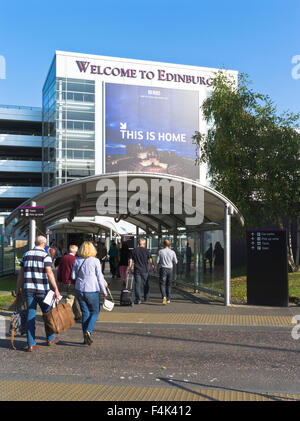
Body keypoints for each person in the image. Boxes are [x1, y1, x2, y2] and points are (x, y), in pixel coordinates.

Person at [16, 235, 61, 352]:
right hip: (43, 291)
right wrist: (55, 288)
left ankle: (31, 343)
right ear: (44, 244)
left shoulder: (26, 255)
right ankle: (50, 338)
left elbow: (21, 274)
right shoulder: (46, 256)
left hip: (28, 290)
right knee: (48, 314)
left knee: (31, 315)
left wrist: (18, 289)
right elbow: (49, 272)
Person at [71, 241, 108, 345]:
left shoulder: (77, 260)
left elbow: (73, 276)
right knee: (95, 311)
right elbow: (100, 277)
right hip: (91, 289)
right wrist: (104, 291)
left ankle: (84, 337)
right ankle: (88, 331)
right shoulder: (95, 261)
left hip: (79, 289)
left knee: (85, 312)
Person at [57, 244, 82, 321]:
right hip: (73, 282)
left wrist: (59, 280)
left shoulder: (63, 258)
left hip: (65, 281)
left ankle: (78, 315)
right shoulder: (75, 259)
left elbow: (59, 270)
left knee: (73, 298)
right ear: (76, 251)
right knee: (70, 299)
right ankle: (64, 316)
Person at [128, 238, 154, 304]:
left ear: (139, 243)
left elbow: (130, 260)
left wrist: (129, 268)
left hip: (137, 269)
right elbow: (150, 260)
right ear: (144, 244)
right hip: (145, 270)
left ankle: (138, 299)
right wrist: (153, 267)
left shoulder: (134, 250)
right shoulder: (147, 251)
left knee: (137, 284)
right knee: (146, 284)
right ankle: (146, 297)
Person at [156, 239, 178, 304]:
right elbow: (176, 261)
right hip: (170, 269)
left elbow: (157, 261)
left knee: (162, 284)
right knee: (169, 284)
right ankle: (168, 299)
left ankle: (164, 297)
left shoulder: (160, 251)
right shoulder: (172, 252)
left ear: (163, 244)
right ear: (169, 245)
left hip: (163, 269)